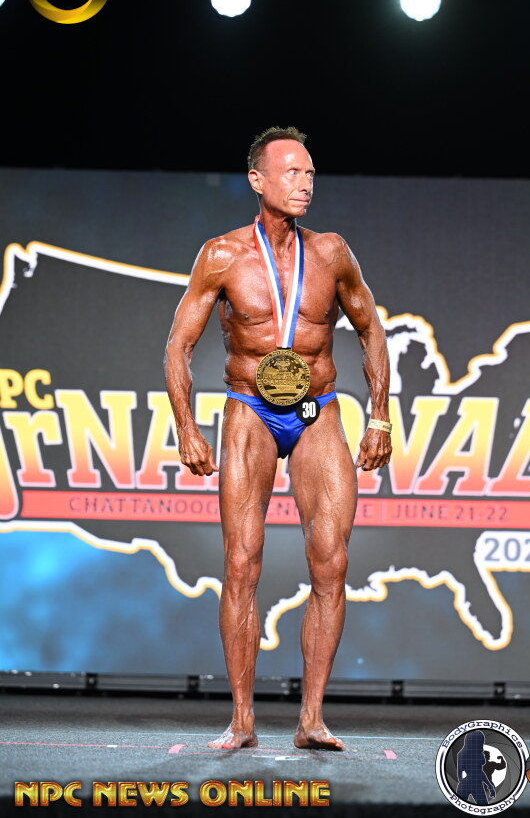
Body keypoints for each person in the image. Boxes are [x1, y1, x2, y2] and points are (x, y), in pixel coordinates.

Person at [164, 126, 392, 751]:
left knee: (332, 562)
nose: (305, 184)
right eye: (292, 172)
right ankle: (242, 720)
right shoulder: (221, 256)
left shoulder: (333, 253)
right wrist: (186, 426)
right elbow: (179, 345)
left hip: (318, 411)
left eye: (310, 173)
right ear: (257, 180)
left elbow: (371, 329)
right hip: (250, 409)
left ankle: (311, 719)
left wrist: (379, 415)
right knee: (242, 562)